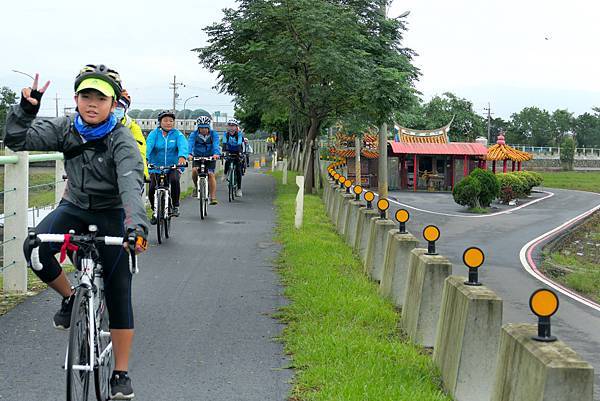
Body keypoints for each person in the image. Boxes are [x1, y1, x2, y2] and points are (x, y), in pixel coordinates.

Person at [3, 65, 148, 399]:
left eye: (101, 97)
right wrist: (25, 111)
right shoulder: (65, 128)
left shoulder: (122, 138)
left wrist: (135, 228)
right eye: (86, 96)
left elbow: (130, 185)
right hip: (76, 205)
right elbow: (15, 139)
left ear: (114, 103)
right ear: (76, 100)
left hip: (113, 211)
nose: (92, 103)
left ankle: (121, 374)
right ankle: (70, 297)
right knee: (35, 248)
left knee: (118, 289)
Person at [146, 110, 188, 221]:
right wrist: (145, 158)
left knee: (174, 180)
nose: (168, 123)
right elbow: (148, 146)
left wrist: (182, 157)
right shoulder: (154, 134)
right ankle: (154, 210)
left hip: (173, 166)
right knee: (151, 188)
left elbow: (183, 145)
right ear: (160, 122)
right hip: (155, 167)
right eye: (165, 120)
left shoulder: (177, 134)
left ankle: (175, 206)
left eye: (171, 121)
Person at [114, 89, 149, 182]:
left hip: (125, 172)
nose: (115, 109)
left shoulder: (132, 127)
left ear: (125, 109)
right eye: (114, 105)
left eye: (119, 106)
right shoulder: (96, 124)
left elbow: (140, 150)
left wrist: (143, 172)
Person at [187, 115, 220, 204]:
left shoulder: (214, 134)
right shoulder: (194, 134)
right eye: (201, 128)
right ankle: (195, 186)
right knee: (194, 171)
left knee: (211, 174)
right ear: (198, 127)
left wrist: (216, 154)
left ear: (209, 127)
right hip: (197, 156)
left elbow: (216, 144)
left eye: (206, 127)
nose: (203, 130)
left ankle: (213, 197)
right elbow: (190, 144)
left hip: (210, 157)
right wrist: (189, 154)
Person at [222, 118, 245, 197]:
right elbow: (224, 143)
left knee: (238, 169)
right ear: (227, 127)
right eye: (230, 126)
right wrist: (224, 152)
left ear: (236, 127)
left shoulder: (239, 134)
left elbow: (239, 144)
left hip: (238, 150)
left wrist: (240, 153)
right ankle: (225, 174)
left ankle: (239, 189)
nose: (231, 128)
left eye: (233, 126)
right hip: (229, 150)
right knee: (227, 161)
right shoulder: (226, 134)